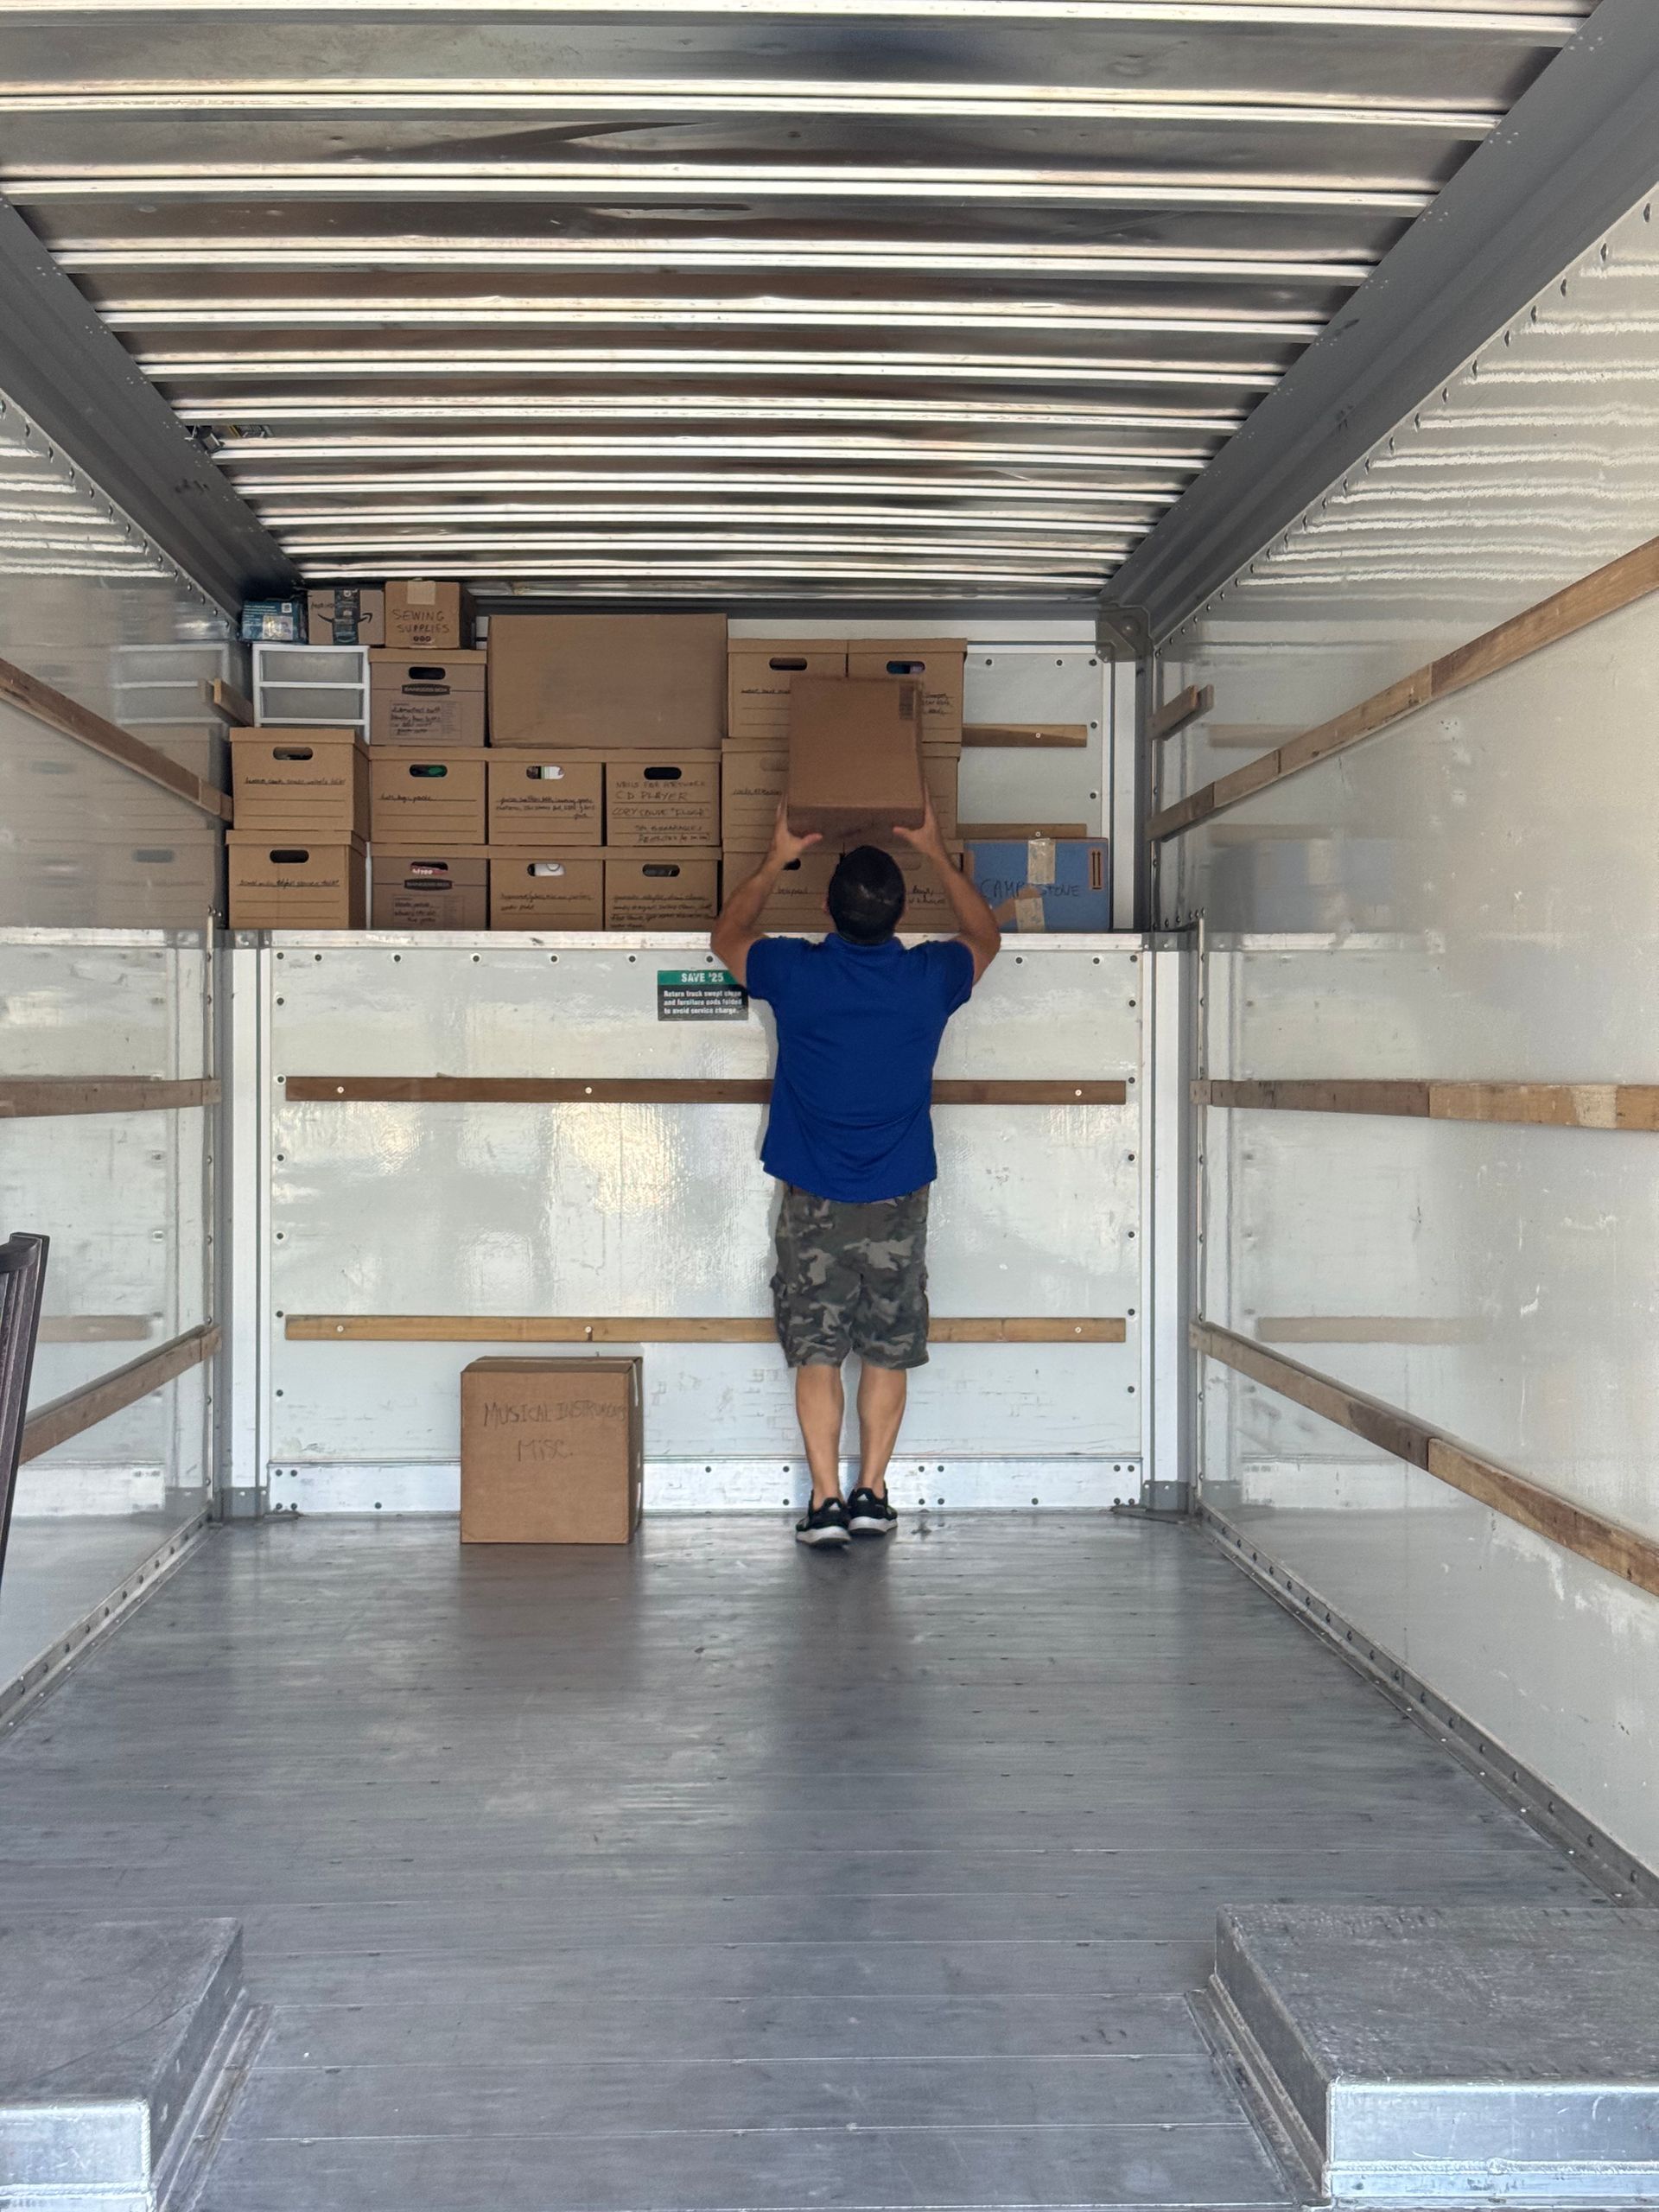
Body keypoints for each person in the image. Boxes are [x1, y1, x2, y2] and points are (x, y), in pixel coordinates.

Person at [711, 797, 1001, 1548]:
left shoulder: (793, 973)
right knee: (886, 1346)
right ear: (903, 914)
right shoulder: (931, 978)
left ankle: (827, 1502)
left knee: (817, 1350)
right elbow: (986, 934)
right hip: (899, 1198)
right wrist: (938, 851)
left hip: (814, 1201)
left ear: (827, 910)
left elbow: (728, 935)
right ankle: (874, 1491)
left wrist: (776, 857)